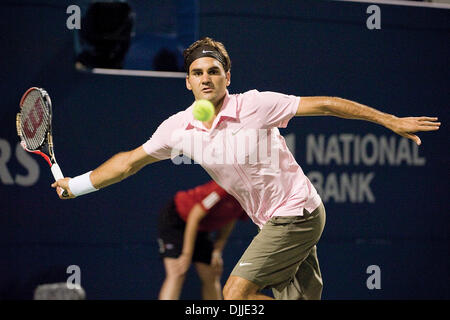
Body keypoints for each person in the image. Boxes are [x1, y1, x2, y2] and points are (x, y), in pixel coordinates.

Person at [52, 37, 440, 300]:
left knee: (232, 295)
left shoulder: (256, 104)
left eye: (214, 71)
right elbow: (129, 162)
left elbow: (325, 103)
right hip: (269, 222)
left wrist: (391, 120)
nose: (206, 78)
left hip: (298, 213)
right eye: (198, 72)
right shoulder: (177, 128)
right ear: (187, 82)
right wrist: (78, 185)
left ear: (227, 78)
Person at [157, 179, 247, 300]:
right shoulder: (223, 188)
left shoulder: (249, 196)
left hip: (201, 228)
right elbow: (194, 216)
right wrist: (186, 254)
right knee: (177, 272)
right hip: (177, 218)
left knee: (211, 274)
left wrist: (217, 251)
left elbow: (231, 217)